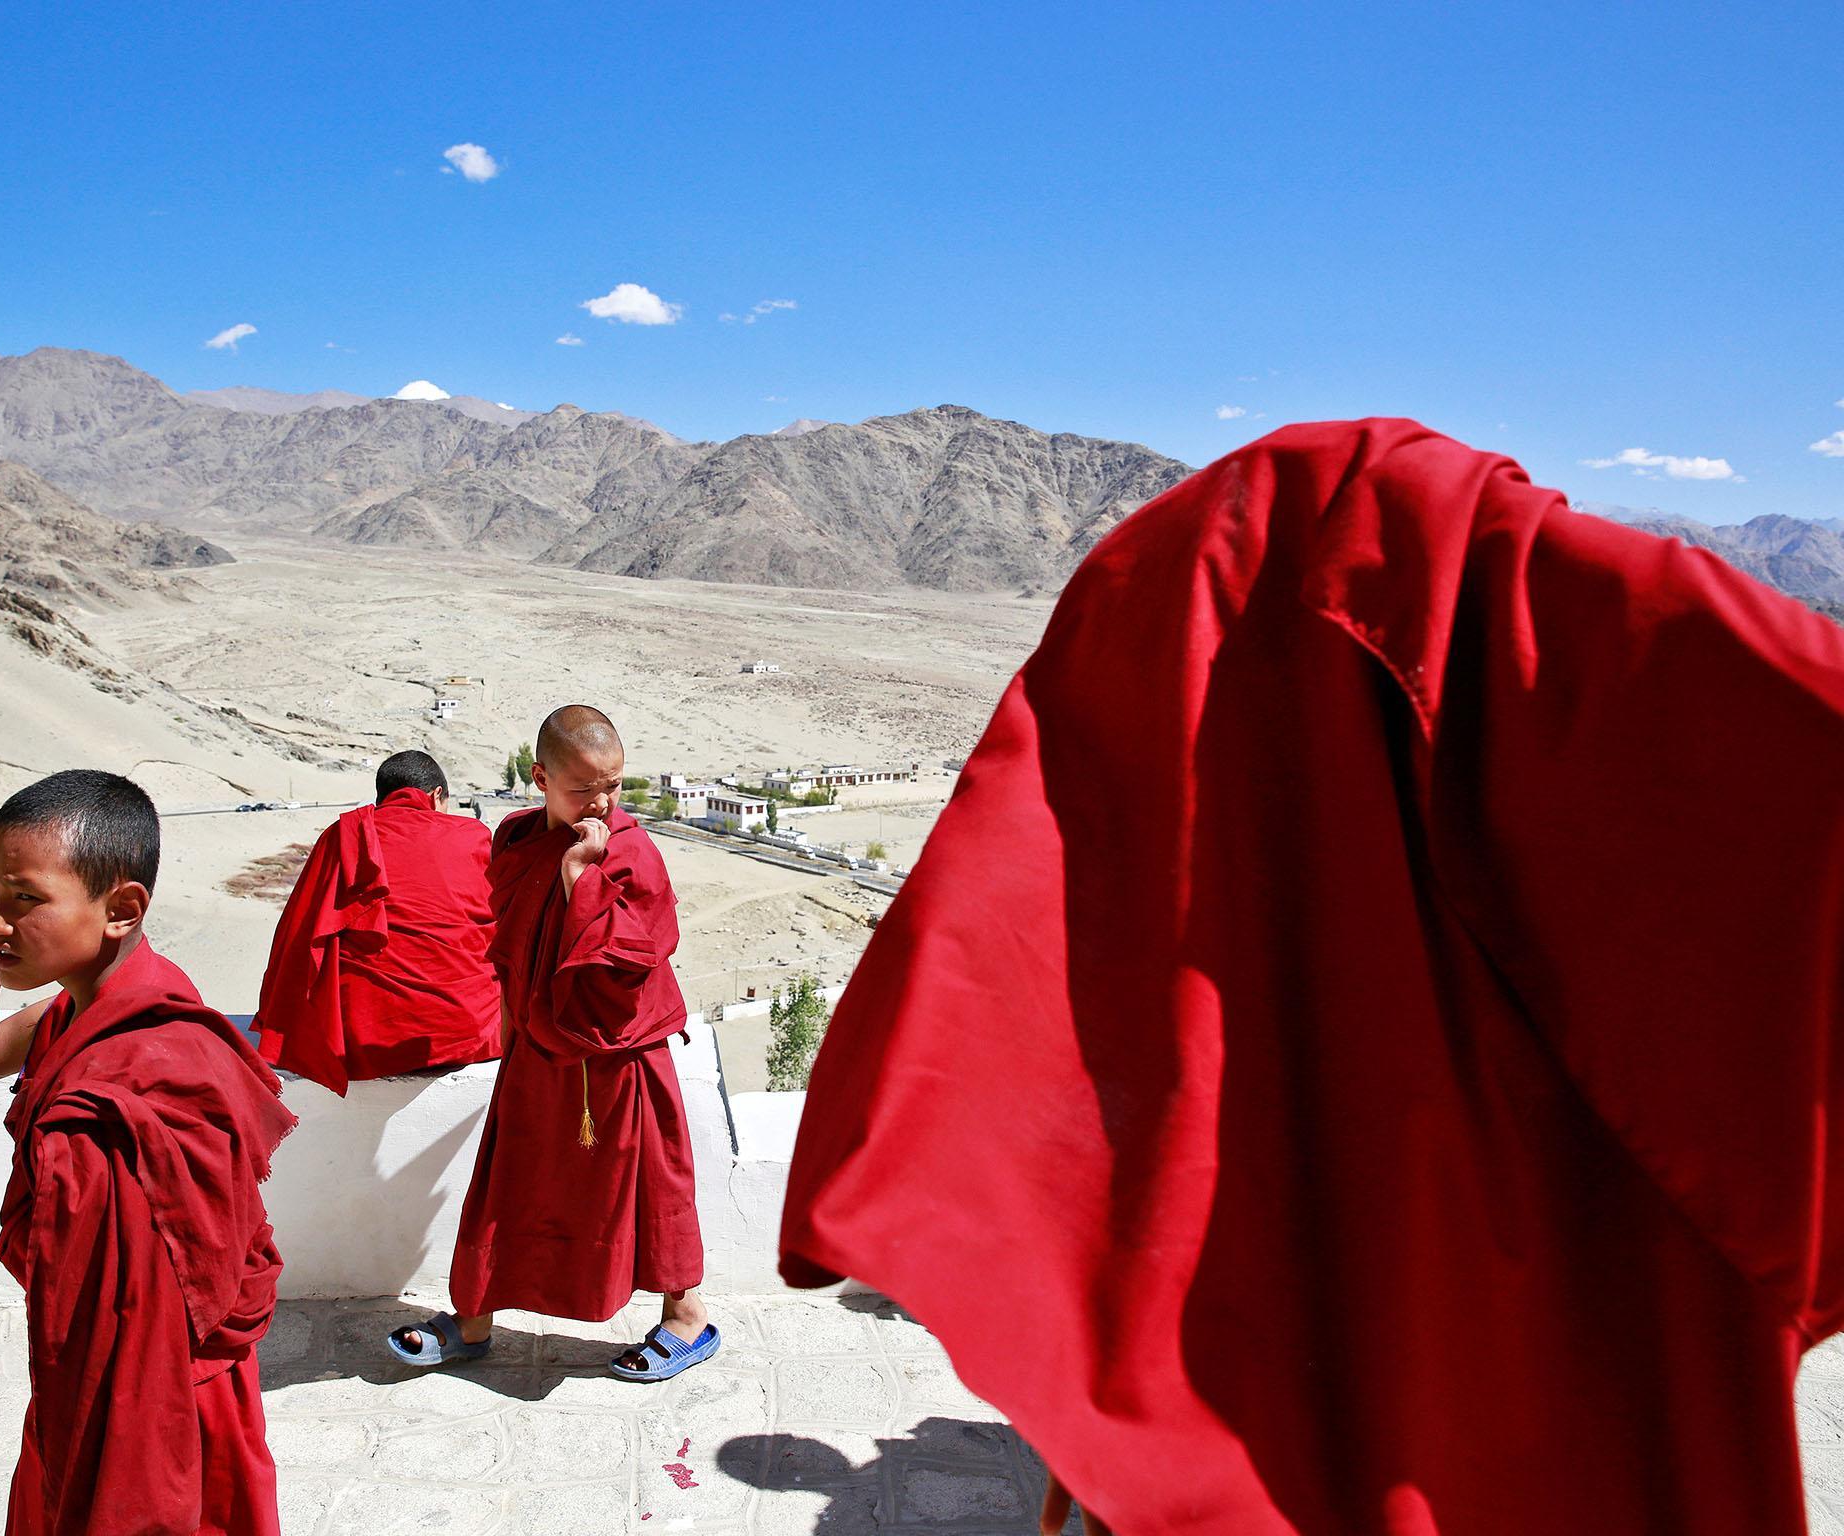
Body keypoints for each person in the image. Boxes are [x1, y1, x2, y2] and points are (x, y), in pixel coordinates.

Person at [775, 419, 1844, 1536]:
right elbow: (1764, 706)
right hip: (1486, 1241)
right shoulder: (1502, 617)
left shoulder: (1152, 621)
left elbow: (989, 937)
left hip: (1206, 1242)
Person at [0, 769, 295, 1536]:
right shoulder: (83, 1002)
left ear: (123, 908)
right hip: (143, 1356)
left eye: (26, 899)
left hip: (146, 1386)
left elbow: (120, 1325)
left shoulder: (121, 1092)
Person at [387, 705, 716, 1380]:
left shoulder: (631, 852)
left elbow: (641, 954)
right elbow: (506, 946)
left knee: (650, 1189)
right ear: (539, 777)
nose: (601, 802)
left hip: (617, 1055)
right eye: (583, 788)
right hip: (537, 1049)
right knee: (508, 1183)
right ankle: (473, 1319)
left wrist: (581, 880)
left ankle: (689, 1318)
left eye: (615, 786)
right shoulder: (513, 839)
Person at [253, 750, 501, 1095]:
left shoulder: (343, 834)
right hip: (464, 1030)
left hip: (362, 1036)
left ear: (382, 797)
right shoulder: (471, 834)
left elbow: (296, 936)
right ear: (436, 796)